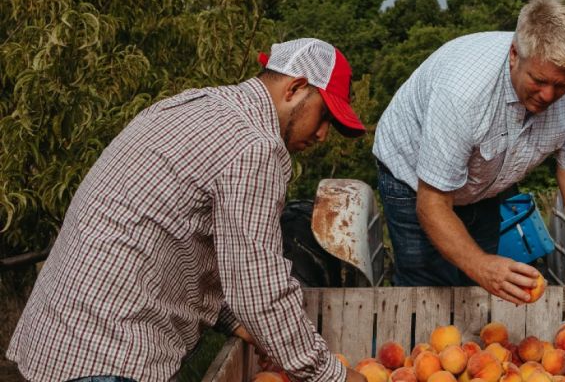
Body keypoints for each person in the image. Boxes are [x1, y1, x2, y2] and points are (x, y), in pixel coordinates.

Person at [7, 38, 369, 382]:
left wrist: (238, 323)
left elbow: (176, 235)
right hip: (111, 354)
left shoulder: (192, 105)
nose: (323, 134)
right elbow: (258, 286)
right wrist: (328, 374)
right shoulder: (255, 146)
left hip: (58, 338)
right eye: (325, 116)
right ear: (295, 89)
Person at [373, 0, 565, 311]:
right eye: (539, 81)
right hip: (412, 179)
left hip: (485, 182)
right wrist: (481, 265)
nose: (549, 95)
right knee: (428, 290)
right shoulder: (463, 94)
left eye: (561, 85)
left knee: (478, 289)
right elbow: (433, 205)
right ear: (515, 55)